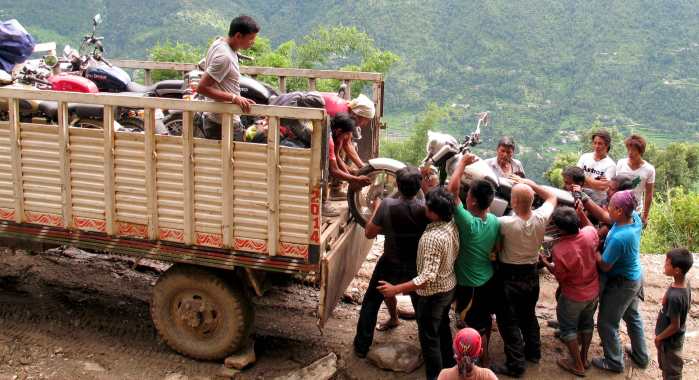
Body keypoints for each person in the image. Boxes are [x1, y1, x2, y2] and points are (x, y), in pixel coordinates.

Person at [377, 187, 459, 380]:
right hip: (449, 286)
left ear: (433, 212)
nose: (423, 207)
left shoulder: (431, 238)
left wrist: (395, 289)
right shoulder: (451, 223)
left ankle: (436, 376)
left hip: (433, 294)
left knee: (429, 338)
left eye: (427, 205)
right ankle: (450, 367)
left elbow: (426, 278)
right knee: (443, 328)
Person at [353, 166, 429, 358]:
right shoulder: (426, 207)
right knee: (422, 308)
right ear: (418, 186)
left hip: (391, 263)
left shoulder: (387, 205)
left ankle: (361, 347)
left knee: (371, 302)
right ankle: (430, 350)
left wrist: (377, 206)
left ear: (397, 184)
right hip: (416, 266)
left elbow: (369, 233)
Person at [491, 176, 557, 378]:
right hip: (530, 274)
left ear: (514, 202)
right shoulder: (541, 217)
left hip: (509, 276)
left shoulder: (505, 223)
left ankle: (515, 364)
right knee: (528, 315)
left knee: (508, 320)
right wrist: (533, 184)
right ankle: (533, 353)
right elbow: (553, 196)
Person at [446, 153, 500, 366]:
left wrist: (461, 164)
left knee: (469, 325)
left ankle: (472, 366)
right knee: (484, 321)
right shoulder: (494, 221)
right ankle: (485, 358)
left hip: (470, 285)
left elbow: (452, 191)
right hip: (487, 280)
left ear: (474, 201)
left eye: (468, 195)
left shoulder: (468, 223)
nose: (465, 197)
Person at [592, 190, 650, 373]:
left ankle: (614, 362)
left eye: (609, 206)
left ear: (618, 210)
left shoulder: (620, 237)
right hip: (634, 276)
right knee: (632, 316)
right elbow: (606, 216)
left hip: (622, 283)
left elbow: (605, 266)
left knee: (606, 323)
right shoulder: (634, 218)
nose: (607, 208)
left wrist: (594, 251)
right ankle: (641, 356)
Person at [540, 206, 599, 377]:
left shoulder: (560, 249)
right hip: (593, 292)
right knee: (587, 324)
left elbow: (559, 276)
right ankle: (584, 357)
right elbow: (592, 231)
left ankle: (577, 365)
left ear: (559, 229)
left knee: (568, 329)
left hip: (573, 296)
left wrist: (545, 262)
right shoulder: (590, 233)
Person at [197, 15, 259, 140]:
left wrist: (238, 98)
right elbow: (202, 88)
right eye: (251, 39)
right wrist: (234, 98)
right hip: (221, 122)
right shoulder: (225, 57)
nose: (253, 42)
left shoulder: (220, 43)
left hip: (218, 119)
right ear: (238, 36)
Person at [322, 92, 376, 200]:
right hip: (309, 120)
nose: (365, 125)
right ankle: (327, 195)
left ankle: (336, 187)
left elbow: (348, 144)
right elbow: (335, 161)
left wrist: (362, 168)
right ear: (358, 115)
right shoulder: (340, 116)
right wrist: (353, 179)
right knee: (328, 158)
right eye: (366, 121)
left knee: (340, 147)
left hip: (328, 133)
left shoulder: (348, 116)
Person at [655, 248, 693, 380]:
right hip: (672, 338)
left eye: (667, 263)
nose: (664, 265)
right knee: (666, 366)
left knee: (671, 372)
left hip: (669, 341)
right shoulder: (684, 282)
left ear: (677, 270)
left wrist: (659, 338)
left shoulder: (675, 297)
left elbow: (675, 326)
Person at [323, 114, 371, 216]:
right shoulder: (329, 139)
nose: (347, 138)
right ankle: (322, 204)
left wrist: (351, 173)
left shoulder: (336, 134)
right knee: (323, 171)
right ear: (339, 131)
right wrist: (355, 179)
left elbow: (337, 158)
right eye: (347, 135)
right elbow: (334, 170)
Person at [616, 134, 655, 226]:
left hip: (636, 211)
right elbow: (616, 186)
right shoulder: (621, 163)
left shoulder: (649, 169)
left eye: (633, 150)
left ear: (641, 151)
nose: (630, 153)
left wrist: (645, 216)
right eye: (628, 149)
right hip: (619, 209)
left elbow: (649, 194)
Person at [577, 130, 616, 206]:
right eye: (595, 143)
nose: (597, 146)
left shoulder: (611, 165)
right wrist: (595, 183)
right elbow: (575, 177)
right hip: (580, 198)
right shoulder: (585, 157)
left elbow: (602, 187)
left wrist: (583, 179)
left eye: (600, 143)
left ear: (607, 145)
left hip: (598, 203)